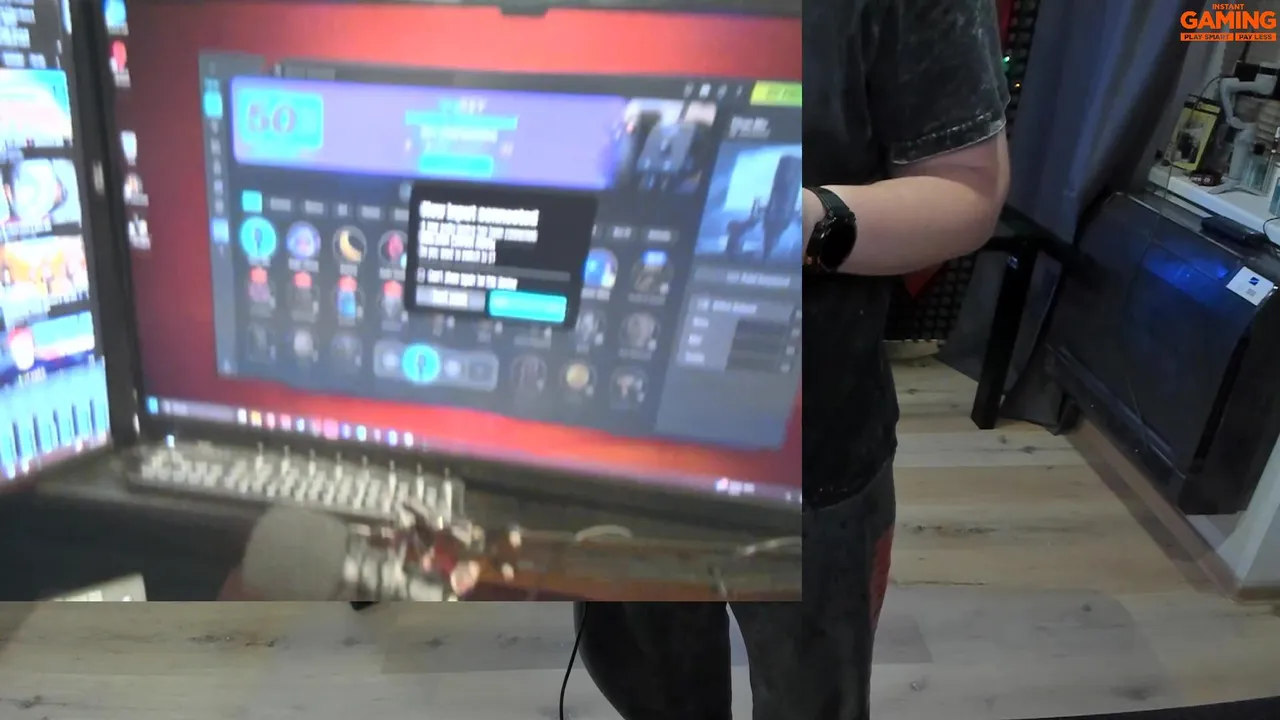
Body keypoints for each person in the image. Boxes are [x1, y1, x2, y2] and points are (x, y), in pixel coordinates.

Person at [574, 0, 1010, 718]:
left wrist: (787, 222)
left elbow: (969, 188)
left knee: (813, 698)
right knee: (650, 689)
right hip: (603, 429)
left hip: (809, 447)